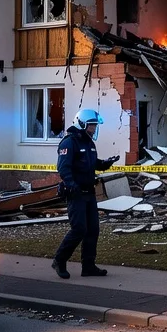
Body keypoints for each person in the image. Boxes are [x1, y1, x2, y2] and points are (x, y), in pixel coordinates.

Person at [52, 109, 120, 279]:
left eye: (95, 125)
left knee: (93, 230)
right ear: (82, 124)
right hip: (76, 193)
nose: (94, 128)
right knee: (79, 229)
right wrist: (71, 184)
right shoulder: (69, 142)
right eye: (91, 125)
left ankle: (88, 266)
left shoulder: (89, 143)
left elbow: (92, 163)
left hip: (89, 192)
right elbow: (63, 167)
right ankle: (59, 260)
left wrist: (106, 163)